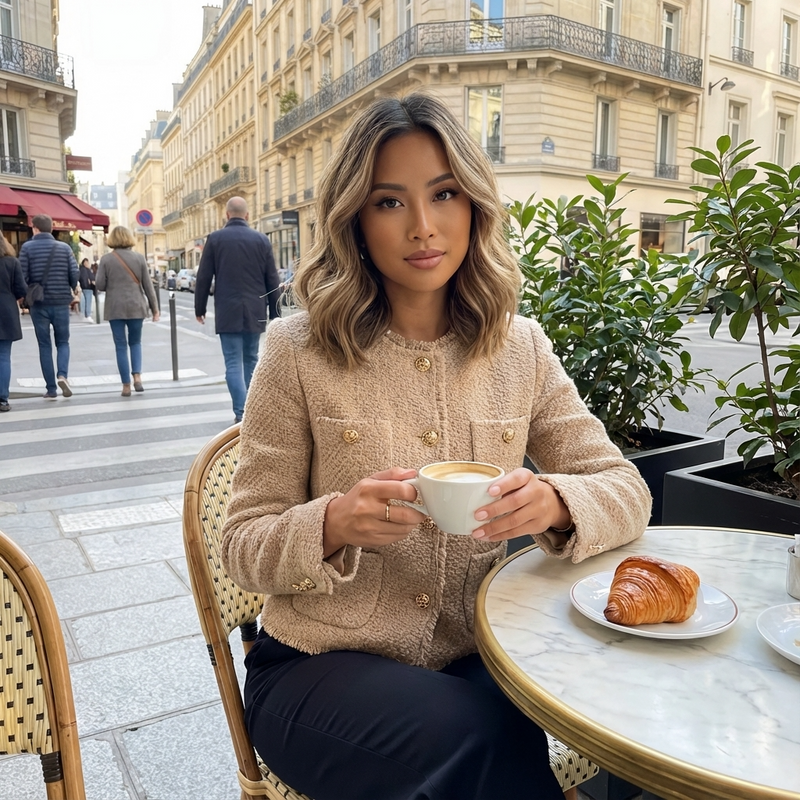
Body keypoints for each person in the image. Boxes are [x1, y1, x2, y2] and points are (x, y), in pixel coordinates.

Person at [220, 93, 652, 800]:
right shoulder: (296, 351)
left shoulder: (520, 348)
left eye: (444, 194)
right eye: (389, 202)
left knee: (549, 714)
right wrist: (332, 524)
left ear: (474, 205)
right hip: (316, 668)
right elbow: (241, 544)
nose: (423, 226)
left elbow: (626, 489)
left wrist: (555, 501)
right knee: (486, 738)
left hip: (478, 654)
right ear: (355, 220)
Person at [194, 196, 279, 424]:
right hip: (255, 310)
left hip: (227, 310)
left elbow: (203, 277)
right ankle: (253, 411)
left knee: (232, 362)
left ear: (227, 215)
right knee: (251, 359)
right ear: (247, 215)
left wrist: (199, 308)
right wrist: (275, 314)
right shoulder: (261, 240)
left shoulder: (215, 239)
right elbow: (272, 279)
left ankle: (241, 414)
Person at [19, 213, 79, 400]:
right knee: (63, 342)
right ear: (51, 228)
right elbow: (74, 273)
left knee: (44, 345)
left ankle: (51, 389)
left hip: (39, 304)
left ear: (35, 228)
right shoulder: (64, 248)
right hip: (61, 301)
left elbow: (22, 276)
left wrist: (26, 295)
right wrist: (71, 287)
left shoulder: (27, 248)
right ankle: (62, 375)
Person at [95, 226, 160, 396]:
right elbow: (148, 286)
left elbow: (100, 285)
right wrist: (155, 309)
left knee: (120, 345)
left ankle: (126, 385)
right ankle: (137, 377)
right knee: (135, 342)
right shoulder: (139, 258)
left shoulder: (106, 259)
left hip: (115, 307)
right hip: (136, 306)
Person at [0, 237, 27, 412]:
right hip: (6, 311)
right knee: (3, 356)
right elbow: (21, 289)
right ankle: (2, 399)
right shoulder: (12, 262)